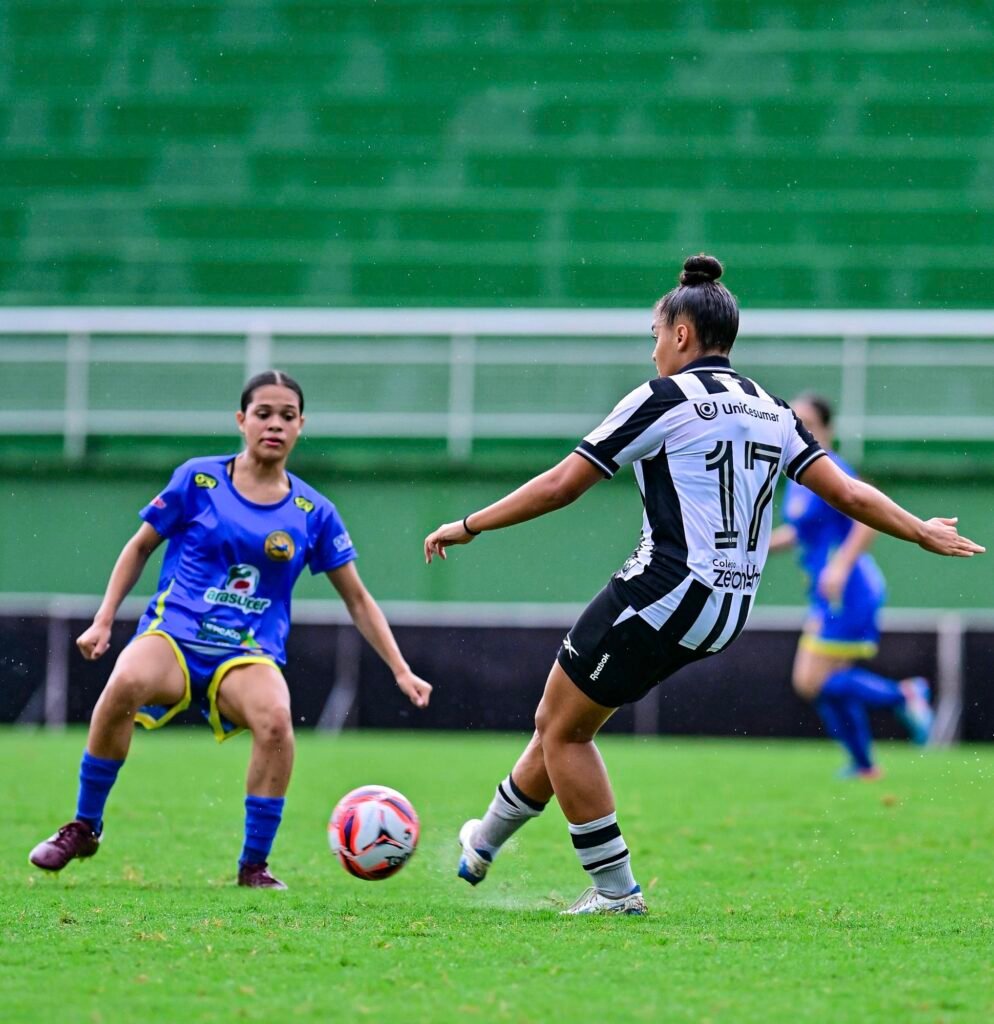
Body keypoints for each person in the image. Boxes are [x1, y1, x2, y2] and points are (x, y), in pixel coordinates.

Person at [423, 254, 983, 916]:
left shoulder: (661, 399)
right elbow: (848, 492)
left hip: (663, 589)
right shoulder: (771, 408)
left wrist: (471, 523)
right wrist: (918, 529)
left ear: (681, 334)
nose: (654, 346)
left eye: (656, 332)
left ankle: (615, 892)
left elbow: (562, 483)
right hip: (728, 609)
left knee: (562, 731)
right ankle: (483, 842)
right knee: (566, 721)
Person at [30, 370, 432, 889]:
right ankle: (84, 826)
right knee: (124, 683)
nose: (274, 424)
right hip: (175, 634)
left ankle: (254, 866)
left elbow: (356, 597)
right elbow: (139, 547)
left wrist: (401, 670)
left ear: (301, 426)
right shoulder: (198, 481)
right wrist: (104, 619)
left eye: (287, 416)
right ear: (241, 420)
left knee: (276, 722)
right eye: (263, 413)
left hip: (246, 652)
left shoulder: (313, 512)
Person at [769, 393, 932, 778]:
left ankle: (903, 695)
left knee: (812, 681)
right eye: (794, 419)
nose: (799, 427)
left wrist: (841, 566)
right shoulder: (798, 475)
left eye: (808, 421)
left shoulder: (831, 466)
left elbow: (864, 516)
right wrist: (753, 548)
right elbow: (801, 532)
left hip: (848, 591)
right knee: (821, 684)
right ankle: (864, 765)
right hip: (825, 593)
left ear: (828, 429)